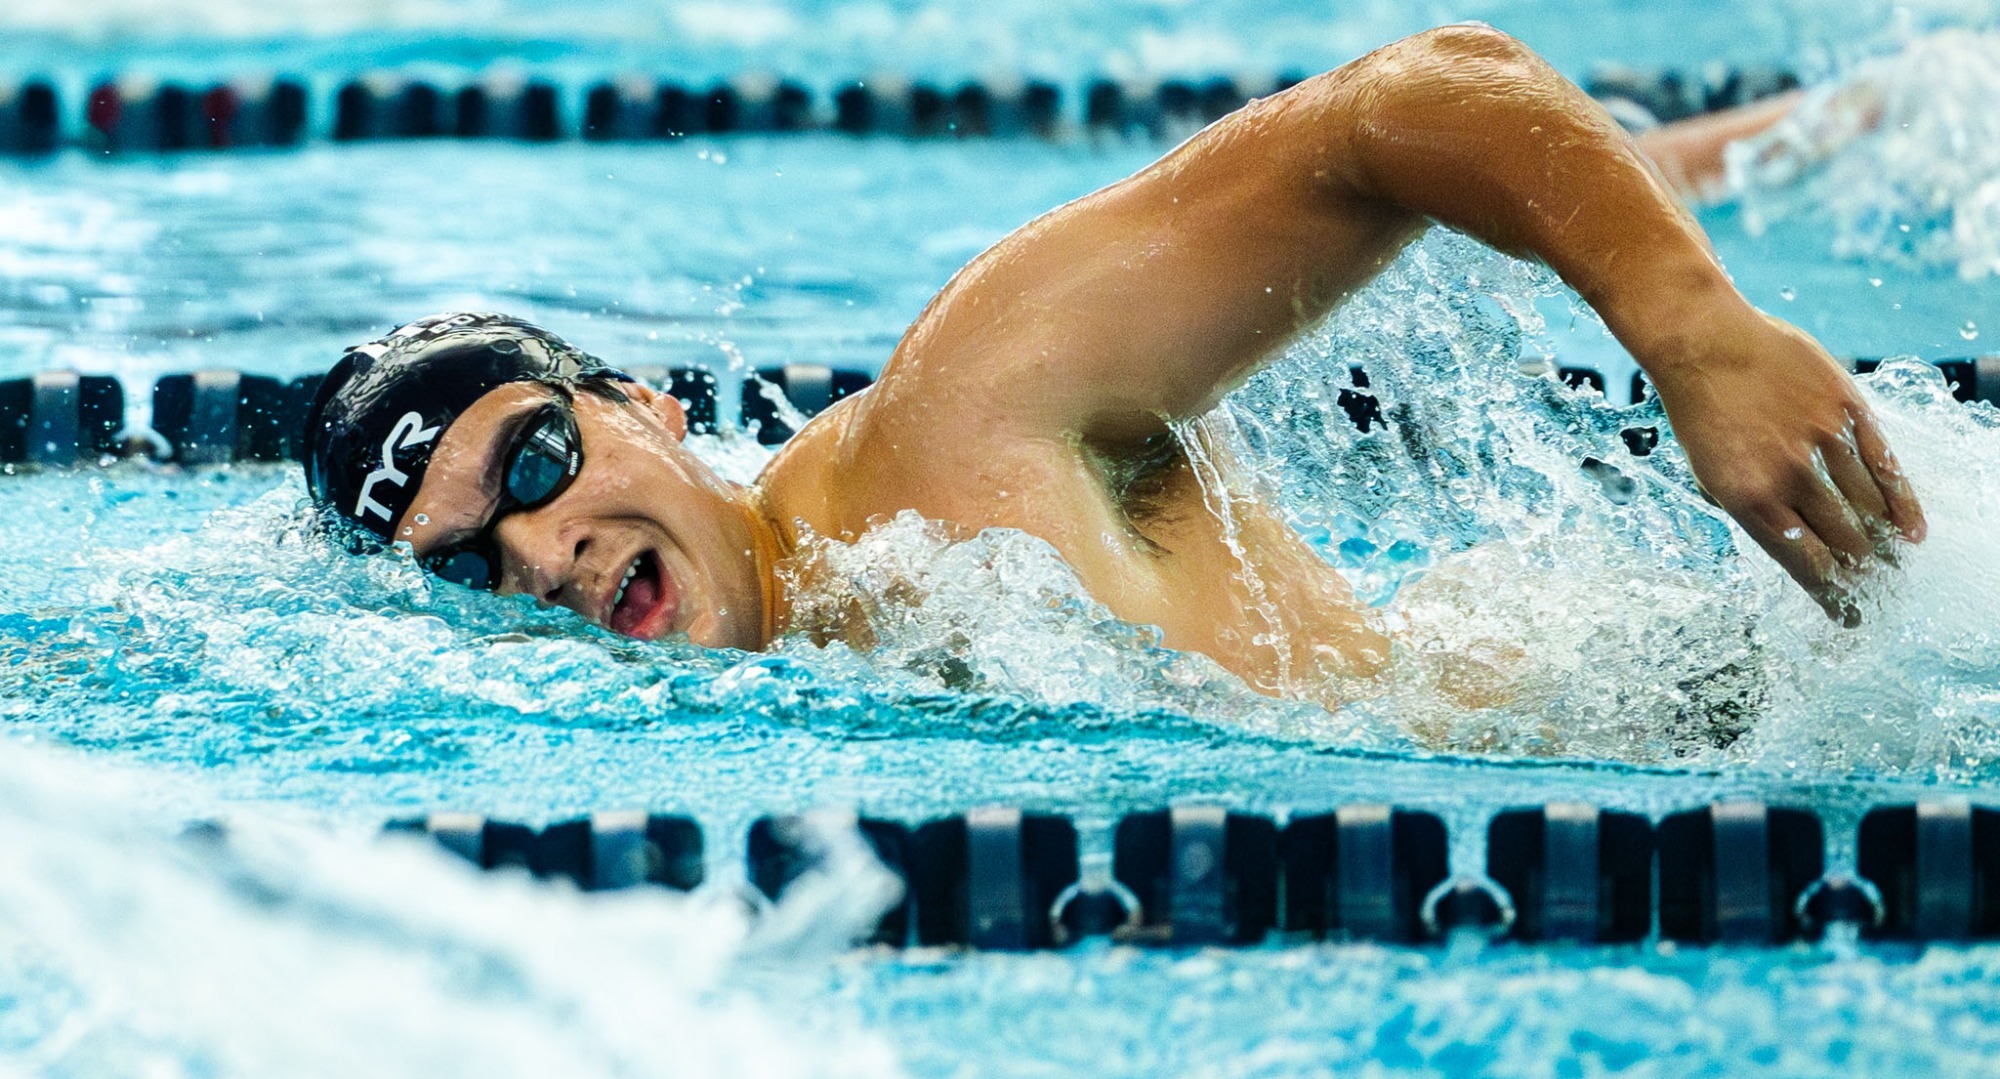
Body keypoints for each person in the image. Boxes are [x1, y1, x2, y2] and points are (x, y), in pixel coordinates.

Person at [302, 25, 1925, 706]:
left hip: (1759, 682)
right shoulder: (788, 681)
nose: (541, 553)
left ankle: (1859, 121)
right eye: (466, 568)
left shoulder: (956, 425)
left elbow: (1414, 94)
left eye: (531, 464)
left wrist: (1698, 339)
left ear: (646, 408)